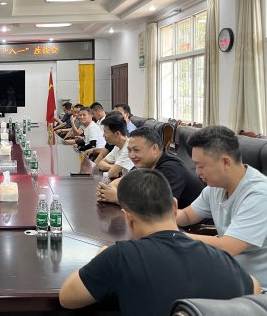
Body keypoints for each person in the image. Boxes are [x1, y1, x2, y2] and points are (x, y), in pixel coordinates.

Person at [59, 169, 259, 315]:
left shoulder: (120, 257)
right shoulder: (223, 259)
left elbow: (67, 298)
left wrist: (101, 257)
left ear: (128, 218)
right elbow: (255, 289)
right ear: (174, 207)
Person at [176, 125, 267, 286]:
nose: (197, 172)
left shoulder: (259, 194)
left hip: (257, 287)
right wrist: (155, 217)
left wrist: (173, 236)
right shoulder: (215, 187)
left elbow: (228, 247)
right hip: (228, 272)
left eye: (201, 165)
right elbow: (187, 216)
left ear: (225, 162)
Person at [97, 127, 204, 207]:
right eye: (129, 150)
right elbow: (125, 179)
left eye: (136, 150)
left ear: (154, 149)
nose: (132, 155)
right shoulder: (145, 163)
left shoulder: (171, 169)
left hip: (189, 227)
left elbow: (158, 206)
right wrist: (108, 189)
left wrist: (118, 197)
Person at [97, 113, 134, 178]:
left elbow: (111, 174)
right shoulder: (117, 146)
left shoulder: (129, 148)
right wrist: (113, 167)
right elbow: (101, 164)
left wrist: (114, 170)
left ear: (117, 133)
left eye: (106, 132)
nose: (103, 135)